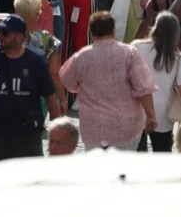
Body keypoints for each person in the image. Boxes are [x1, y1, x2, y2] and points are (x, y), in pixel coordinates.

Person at [60, 11, 158, 150]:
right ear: (113, 31)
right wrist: (151, 115)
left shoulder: (81, 57)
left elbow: (67, 80)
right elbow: (143, 87)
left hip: (94, 127)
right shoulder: (130, 53)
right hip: (126, 127)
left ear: (92, 33)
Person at [0, 14, 59, 161]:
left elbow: (50, 97)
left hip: (28, 136)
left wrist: (56, 133)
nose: (0, 36)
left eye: (5, 33)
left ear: (19, 37)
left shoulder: (35, 62)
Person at [134, 11, 181, 152]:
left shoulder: (136, 47)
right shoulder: (177, 58)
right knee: (162, 155)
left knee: (137, 156)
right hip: (162, 115)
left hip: (136, 110)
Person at [5, 0, 68, 110]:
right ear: (38, 14)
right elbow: (54, 73)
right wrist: (63, 99)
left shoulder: (4, 38)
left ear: (16, 12)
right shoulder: (47, 40)